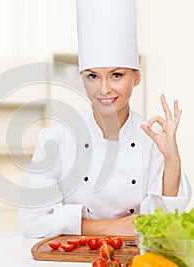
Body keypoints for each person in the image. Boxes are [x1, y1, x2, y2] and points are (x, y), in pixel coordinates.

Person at [17, 0, 192, 238]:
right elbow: (31, 221)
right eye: (92, 76)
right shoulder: (56, 137)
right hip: (74, 257)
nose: (104, 89)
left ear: (136, 77)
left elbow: (165, 220)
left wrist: (172, 159)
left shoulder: (152, 140)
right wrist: (114, 228)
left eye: (116, 75)